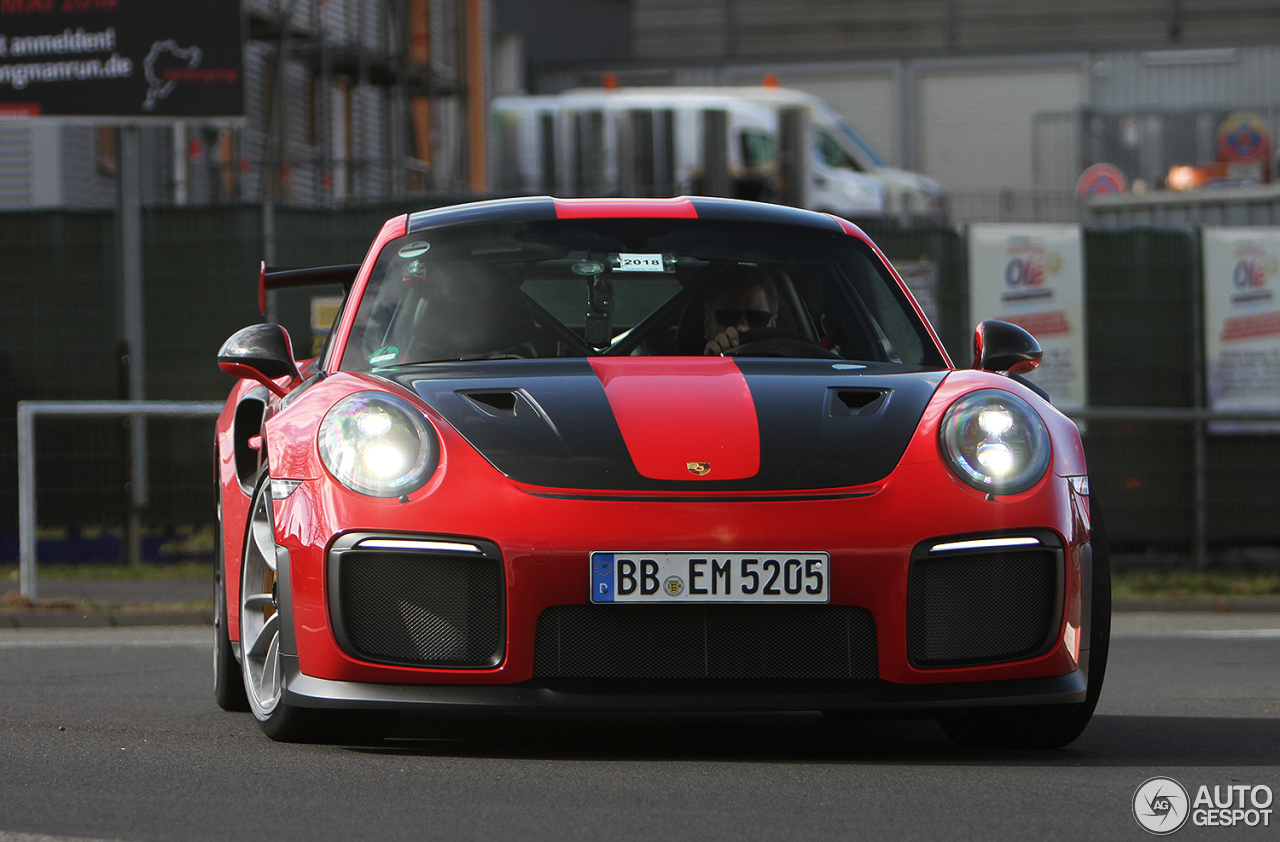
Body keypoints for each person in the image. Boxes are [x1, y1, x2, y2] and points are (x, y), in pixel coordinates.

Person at [702, 264, 779, 355]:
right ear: (707, 324)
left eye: (757, 318)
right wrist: (709, 364)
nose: (742, 327)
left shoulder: (789, 366)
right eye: (728, 316)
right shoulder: (685, 367)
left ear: (773, 324)